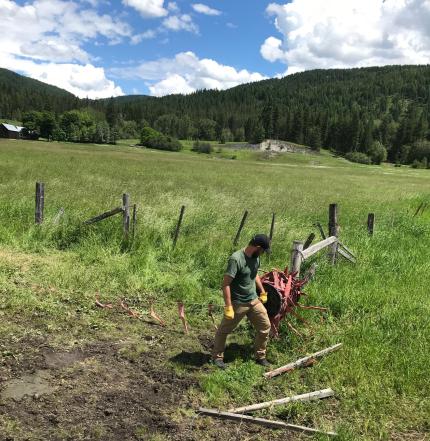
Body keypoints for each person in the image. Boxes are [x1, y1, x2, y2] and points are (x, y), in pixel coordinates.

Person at [212, 234, 272, 369]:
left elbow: (254, 273)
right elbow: (226, 284)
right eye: (262, 250)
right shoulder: (236, 259)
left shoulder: (255, 258)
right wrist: (229, 307)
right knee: (224, 330)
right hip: (238, 302)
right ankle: (217, 357)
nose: (262, 254)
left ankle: (260, 356)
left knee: (265, 326)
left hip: (253, 300)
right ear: (257, 247)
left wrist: (262, 291)